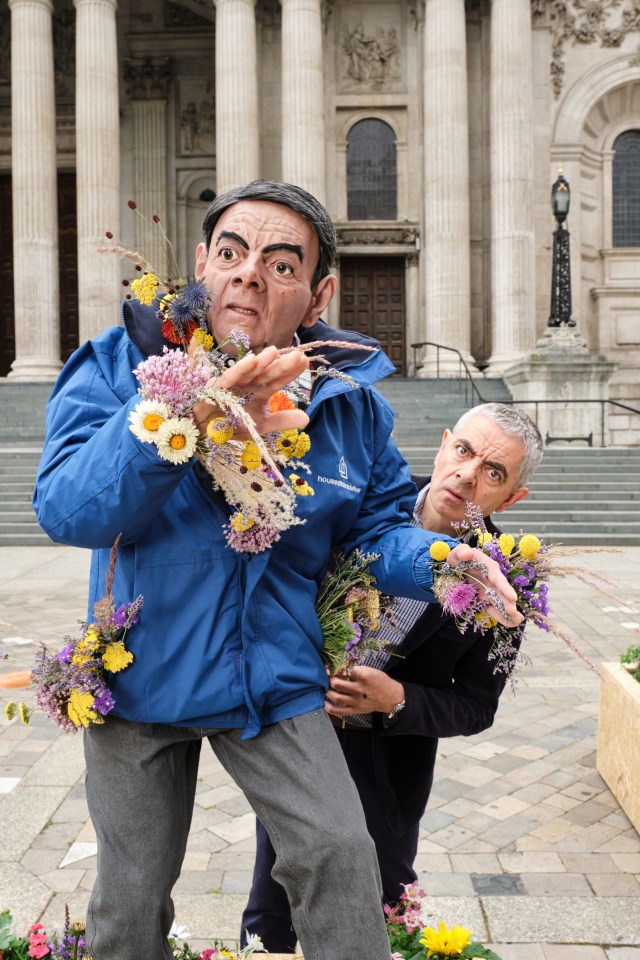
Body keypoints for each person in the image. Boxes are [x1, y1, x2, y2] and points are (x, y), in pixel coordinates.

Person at [33, 180, 522, 960]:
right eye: (230, 253)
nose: (249, 274)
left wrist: (444, 557)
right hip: (140, 667)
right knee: (128, 901)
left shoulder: (350, 406)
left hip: (275, 675)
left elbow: (376, 531)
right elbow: (67, 509)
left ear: (320, 290)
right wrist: (183, 423)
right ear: (202, 264)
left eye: (280, 262)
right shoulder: (123, 364)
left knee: (339, 854)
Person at [241, 402, 543, 954]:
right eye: (465, 451)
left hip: (387, 767)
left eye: (493, 473)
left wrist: (396, 697)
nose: (468, 475)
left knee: (379, 913)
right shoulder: (358, 502)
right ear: (445, 442)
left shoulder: (507, 584)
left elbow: (478, 705)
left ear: (512, 498)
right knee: (273, 908)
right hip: (302, 742)